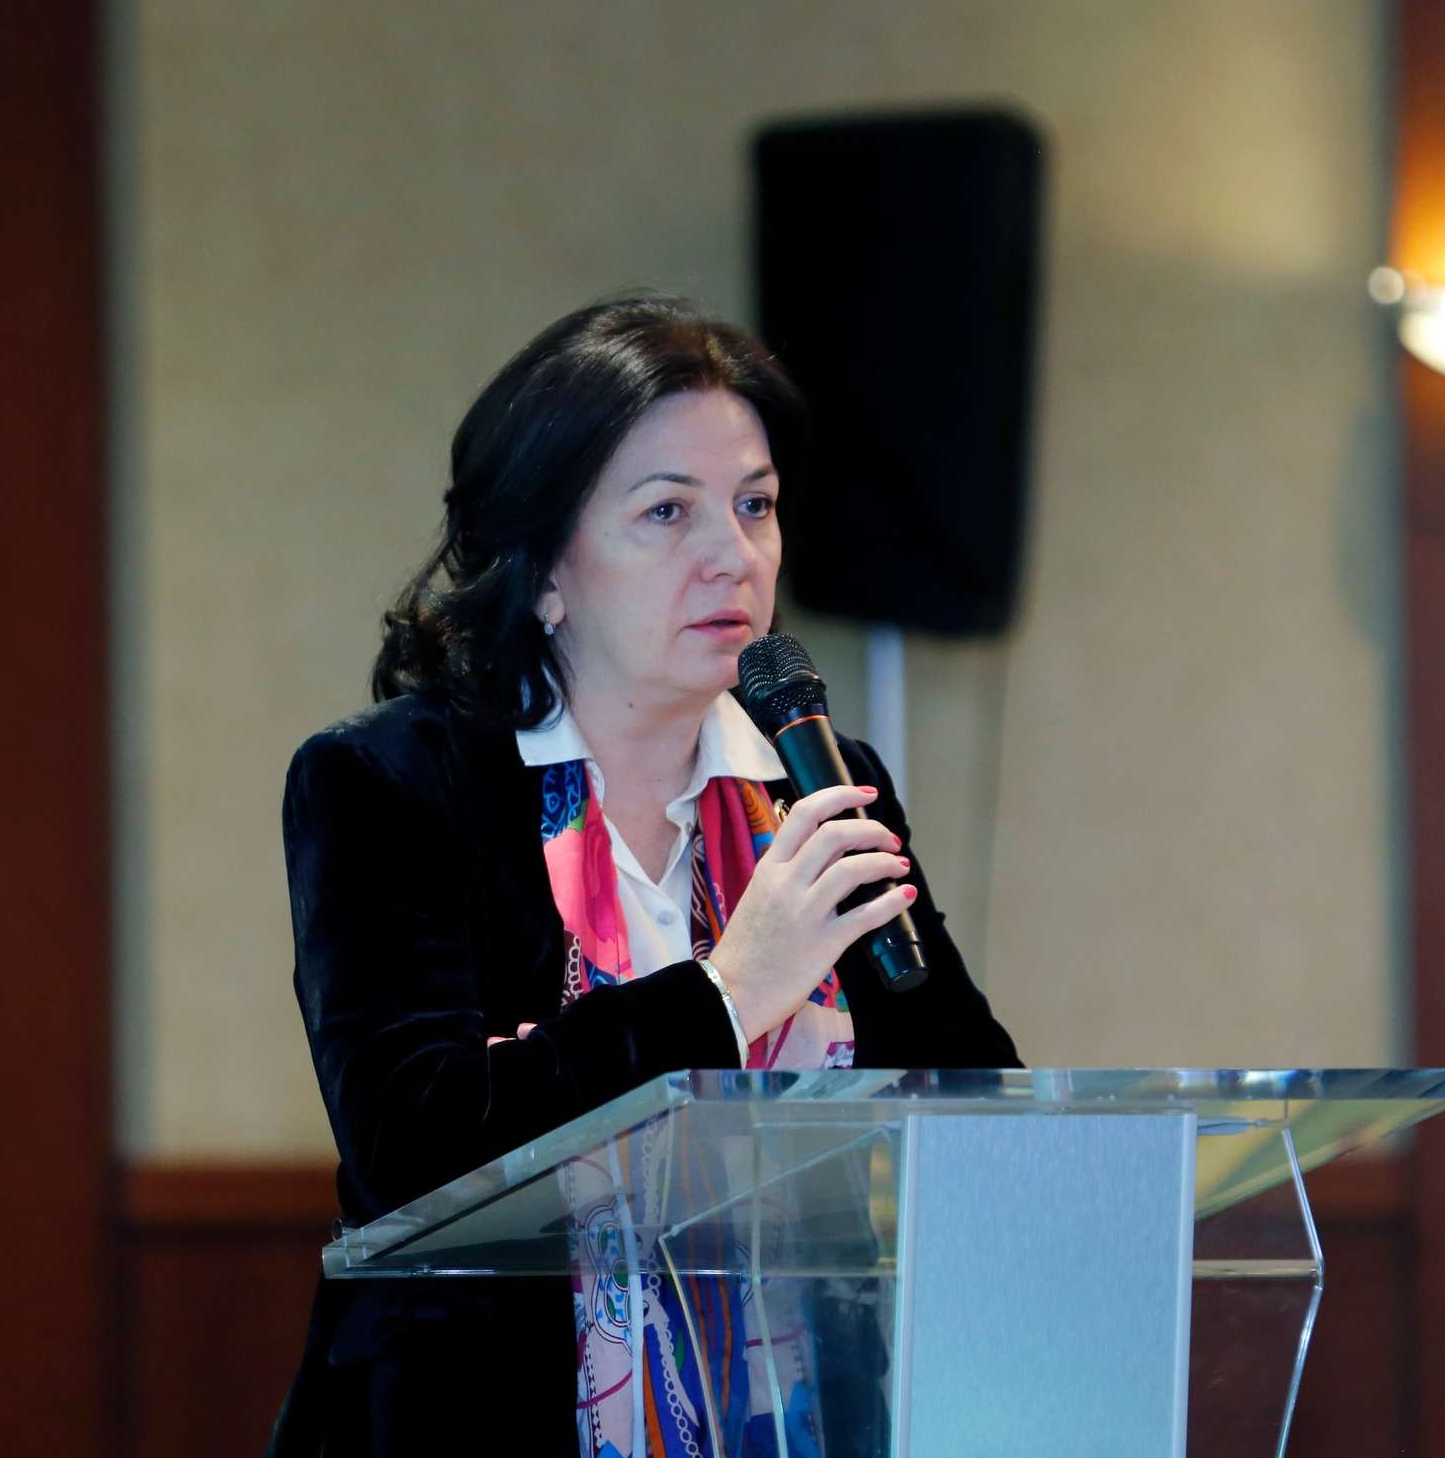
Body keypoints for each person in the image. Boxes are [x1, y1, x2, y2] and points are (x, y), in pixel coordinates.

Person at [268, 296, 1020, 1457]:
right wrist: (728, 993)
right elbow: (412, 1142)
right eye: (666, 512)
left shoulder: (819, 780)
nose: (733, 555)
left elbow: (973, 1097)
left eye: (755, 505)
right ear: (543, 569)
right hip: (481, 1422)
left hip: (798, 1416)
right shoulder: (394, 784)